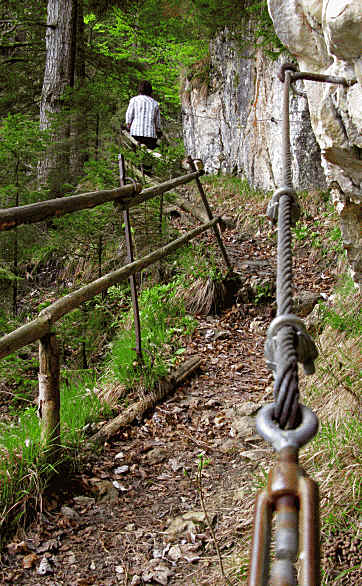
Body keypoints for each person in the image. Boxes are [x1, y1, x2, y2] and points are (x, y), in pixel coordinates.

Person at [125, 81, 162, 150]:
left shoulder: (134, 100)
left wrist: (127, 127)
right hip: (151, 135)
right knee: (150, 157)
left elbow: (129, 116)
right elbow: (157, 123)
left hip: (136, 133)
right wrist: (158, 133)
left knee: (136, 156)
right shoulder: (155, 103)